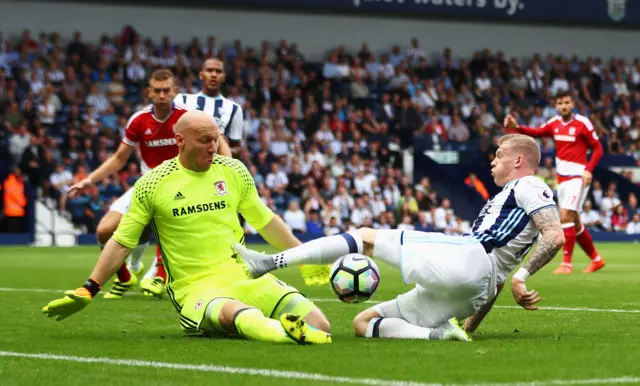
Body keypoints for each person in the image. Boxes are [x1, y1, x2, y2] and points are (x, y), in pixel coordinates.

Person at [234, 134, 565, 341]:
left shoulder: (529, 185)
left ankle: (269, 262)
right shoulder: (509, 198)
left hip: (470, 257)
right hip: (475, 291)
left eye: (499, 156)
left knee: (364, 237)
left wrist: (522, 277)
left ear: (519, 160)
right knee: (364, 323)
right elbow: (496, 285)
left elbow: (554, 234)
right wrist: (470, 325)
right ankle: (438, 335)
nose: (492, 162)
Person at [42, 110, 331, 345]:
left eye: (215, 139)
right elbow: (121, 241)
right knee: (240, 316)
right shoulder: (154, 183)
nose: (212, 147)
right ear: (180, 140)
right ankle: (286, 335)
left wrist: (302, 257)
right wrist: (89, 288)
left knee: (321, 323)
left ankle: (299, 333)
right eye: (204, 140)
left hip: (245, 276)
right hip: (195, 289)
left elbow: (265, 221)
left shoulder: (233, 171)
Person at [68, 69, 232, 299]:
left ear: (175, 91)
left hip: (181, 184)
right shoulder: (139, 120)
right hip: (147, 184)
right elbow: (119, 158)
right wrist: (89, 180)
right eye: (158, 91)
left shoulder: (187, 118)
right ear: (149, 92)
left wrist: (229, 168)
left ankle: (161, 276)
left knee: (165, 222)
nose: (163, 95)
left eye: (167, 90)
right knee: (104, 230)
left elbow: (218, 139)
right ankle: (125, 277)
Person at [504, 90, 604, 274]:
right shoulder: (554, 124)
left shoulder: (583, 123)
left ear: (573, 103)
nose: (563, 106)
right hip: (563, 179)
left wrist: (588, 170)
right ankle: (596, 259)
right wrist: (516, 126)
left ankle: (566, 263)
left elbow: (598, 148)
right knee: (575, 222)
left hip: (578, 177)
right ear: (556, 106)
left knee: (565, 216)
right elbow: (536, 132)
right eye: (560, 103)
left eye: (566, 102)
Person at [175, 58, 244, 152]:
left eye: (218, 71)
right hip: (187, 164)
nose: (214, 75)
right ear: (201, 75)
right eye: (209, 70)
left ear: (223, 77)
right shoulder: (183, 100)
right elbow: (171, 136)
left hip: (217, 165)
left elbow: (238, 148)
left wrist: (224, 148)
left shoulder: (234, 109)